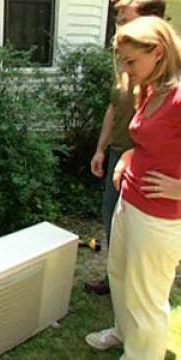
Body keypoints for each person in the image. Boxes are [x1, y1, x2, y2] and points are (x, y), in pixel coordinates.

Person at [86, 16, 181, 359]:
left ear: (157, 51)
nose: (126, 69)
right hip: (130, 198)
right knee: (120, 274)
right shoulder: (152, 90)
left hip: (160, 218)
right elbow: (147, 144)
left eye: (131, 61)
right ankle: (123, 333)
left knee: (148, 297)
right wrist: (127, 157)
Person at [85, 0, 166, 296]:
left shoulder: (164, 72)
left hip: (149, 163)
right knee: (112, 218)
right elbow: (114, 107)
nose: (117, 19)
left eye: (123, 14)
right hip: (121, 154)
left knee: (142, 230)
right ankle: (116, 280)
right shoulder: (126, 60)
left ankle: (142, 285)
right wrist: (101, 149)